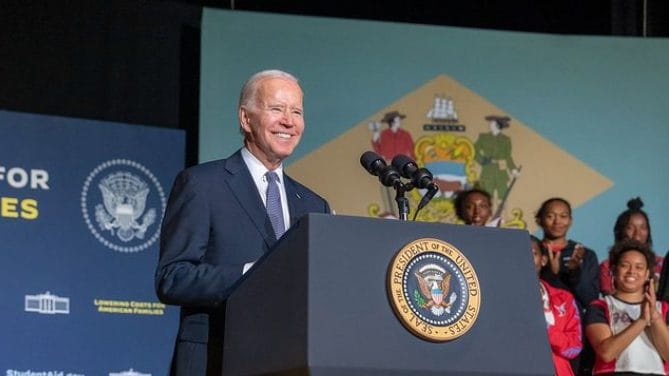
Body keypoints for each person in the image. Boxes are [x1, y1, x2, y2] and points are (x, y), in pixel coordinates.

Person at [155, 70, 331, 376]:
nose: (289, 121)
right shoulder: (201, 184)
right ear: (245, 119)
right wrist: (251, 275)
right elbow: (173, 277)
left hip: (289, 362)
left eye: (297, 112)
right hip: (216, 359)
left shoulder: (314, 205)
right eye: (276, 109)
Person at [585, 240, 669, 375]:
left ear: (647, 274)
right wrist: (642, 320)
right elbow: (606, 353)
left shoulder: (664, 309)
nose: (632, 271)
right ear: (613, 270)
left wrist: (654, 316)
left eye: (639, 267)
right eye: (625, 265)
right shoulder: (600, 306)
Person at [536, 197, 599, 375]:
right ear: (539, 220)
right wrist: (550, 274)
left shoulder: (584, 255)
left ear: (570, 220)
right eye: (551, 216)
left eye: (563, 216)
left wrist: (574, 273)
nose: (557, 221)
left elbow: (590, 299)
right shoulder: (531, 252)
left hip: (572, 334)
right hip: (538, 332)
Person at [531, 236, 582, 376]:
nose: (525, 257)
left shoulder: (564, 298)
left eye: (532, 253)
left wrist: (546, 328)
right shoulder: (503, 298)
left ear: (543, 260)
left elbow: (574, 347)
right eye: (519, 253)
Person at [599, 197, 663, 296]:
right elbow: (609, 299)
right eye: (630, 228)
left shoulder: (661, 264)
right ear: (621, 231)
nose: (637, 234)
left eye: (643, 227)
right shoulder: (607, 266)